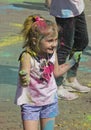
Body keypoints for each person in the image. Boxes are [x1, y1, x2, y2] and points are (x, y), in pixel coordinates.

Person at [14, 14, 82, 130]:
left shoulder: (52, 53)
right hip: (31, 103)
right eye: (50, 41)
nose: (54, 44)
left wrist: (72, 61)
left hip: (49, 100)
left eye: (56, 40)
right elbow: (24, 79)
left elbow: (56, 73)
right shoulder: (27, 56)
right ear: (35, 41)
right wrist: (24, 78)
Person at [50, 0, 91, 100]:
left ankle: (70, 79)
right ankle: (57, 85)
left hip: (77, 7)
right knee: (64, 47)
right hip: (64, 11)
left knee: (81, 41)